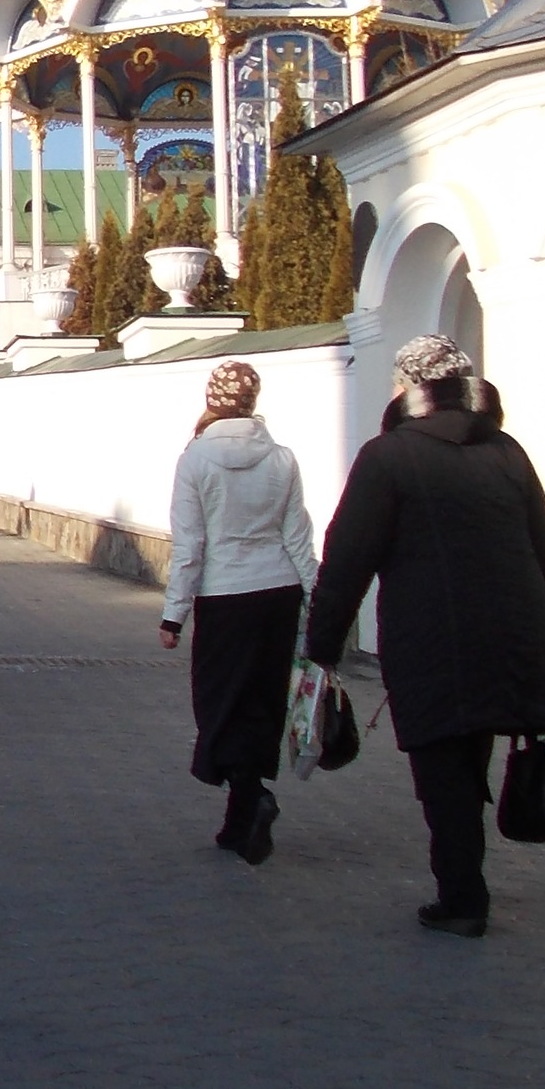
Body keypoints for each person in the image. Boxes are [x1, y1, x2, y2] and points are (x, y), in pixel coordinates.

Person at [306, 335, 545, 938]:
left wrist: (321, 647)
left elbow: (346, 560)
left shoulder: (388, 457)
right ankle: (464, 881)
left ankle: (462, 897)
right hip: (510, 639)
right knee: (471, 755)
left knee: (441, 769)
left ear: (409, 387)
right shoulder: (507, 451)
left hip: (430, 643)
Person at [157, 361, 316, 864]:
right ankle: (238, 821)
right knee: (262, 703)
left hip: (223, 596)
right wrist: (318, 597)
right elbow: (297, 536)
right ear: (252, 402)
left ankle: (253, 797)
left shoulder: (194, 460)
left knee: (219, 704)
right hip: (278, 594)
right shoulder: (282, 459)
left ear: (212, 401)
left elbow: (190, 546)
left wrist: (174, 615)